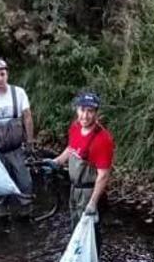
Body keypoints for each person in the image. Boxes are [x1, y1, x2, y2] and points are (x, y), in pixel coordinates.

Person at [43, 92, 115, 247]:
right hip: (74, 189)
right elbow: (71, 148)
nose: (85, 115)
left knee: (90, 235)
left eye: (90, 111)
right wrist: (57, 162)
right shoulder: (75, 127)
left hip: (89, 193)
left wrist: (93, 203)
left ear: (96, 113)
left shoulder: (103, 140)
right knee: (76, 230)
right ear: (77, 110)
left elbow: (103, 175)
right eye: (82, 110)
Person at [0, 58, 35, 220]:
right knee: (0, 187)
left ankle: (26, 215)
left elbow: (28, 118)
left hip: (17, 149)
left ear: (7, 74)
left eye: (2, 74)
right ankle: (2, 219)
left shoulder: (19, 93)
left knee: (25, 183)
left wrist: (30, 141)